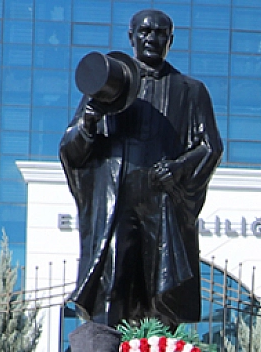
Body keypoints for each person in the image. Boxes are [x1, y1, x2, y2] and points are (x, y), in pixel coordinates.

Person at [59, 8, 222, 327]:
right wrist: (90, 123)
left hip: (162, 202)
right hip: (117, 202)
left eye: (160, 33)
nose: (152, 38)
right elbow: (70, 148)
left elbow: (210, 146)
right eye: (145, 32)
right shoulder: (109, 84)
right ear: (131, 37)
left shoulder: (190, 90)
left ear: (170, 40)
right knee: (113, 284)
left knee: (161, 293)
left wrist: (178, 168)